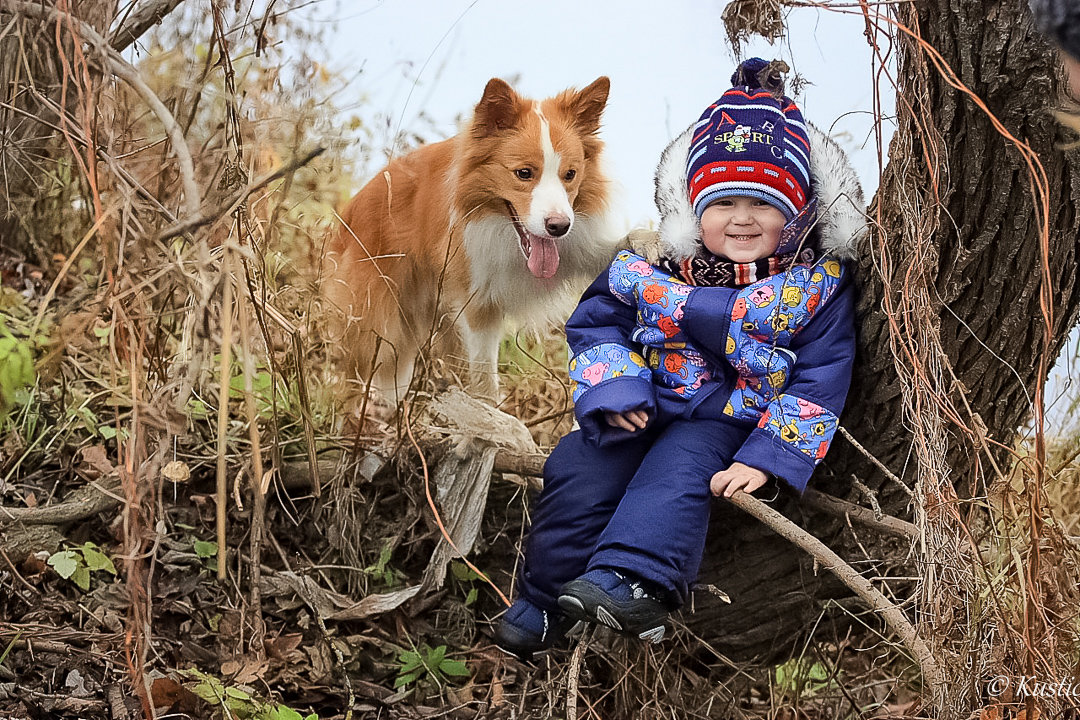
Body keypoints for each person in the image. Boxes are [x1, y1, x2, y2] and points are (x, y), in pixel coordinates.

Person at [494, 58, 866, 661]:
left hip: (726, 415)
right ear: (695, 208)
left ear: (796, 210)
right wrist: (614, 391)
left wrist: (770, 457)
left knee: (676, 473)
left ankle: (635, 582)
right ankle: (543, 602)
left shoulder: (813, 288)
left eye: (763, 203)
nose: (742, 218)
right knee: (580, 467)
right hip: (646, 398)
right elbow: (597, 322)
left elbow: (823, 377)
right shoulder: (653, 265)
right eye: (723, 202)